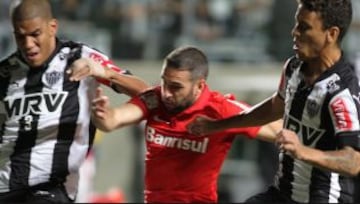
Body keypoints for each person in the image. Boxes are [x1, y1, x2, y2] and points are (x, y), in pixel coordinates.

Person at [188, 0, 360, 203]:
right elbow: (274, 108)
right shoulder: (293, 68)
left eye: (304, 28)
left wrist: (302, 151)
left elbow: (353, 161)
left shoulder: (341, 93)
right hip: (282, 193)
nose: (294, 33)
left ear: (331, 34)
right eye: (296, 24)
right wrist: (218, 126)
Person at [91, 45, 282, 203]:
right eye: (164, 83)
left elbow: (280, 131)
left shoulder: (221, 109)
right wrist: (102, 113)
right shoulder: (155, 100)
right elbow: (112, 120)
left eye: (176, 87)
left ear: (199, 86)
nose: (166, 92)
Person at [0, 0, 149, 203]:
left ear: (52, 27)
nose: (28, 44)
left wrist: (102, 71)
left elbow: (145, 92)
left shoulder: (80, 57)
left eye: (35, 34)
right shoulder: (5, 72)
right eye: (20, 36)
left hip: (50, 187)